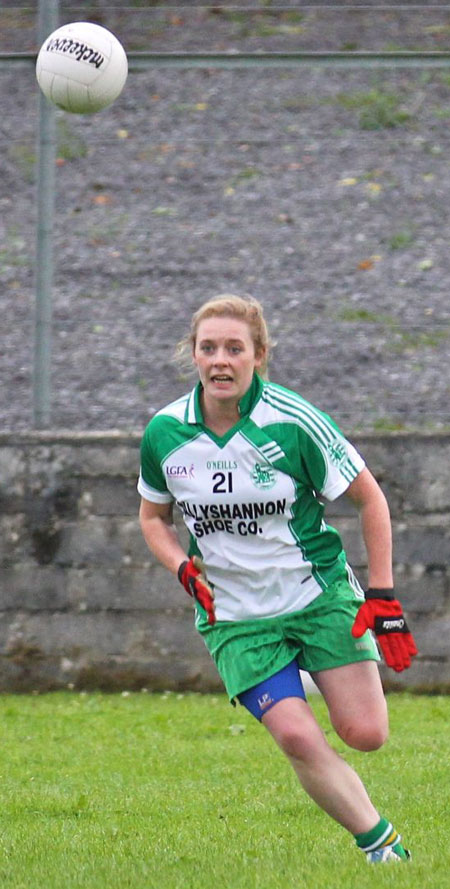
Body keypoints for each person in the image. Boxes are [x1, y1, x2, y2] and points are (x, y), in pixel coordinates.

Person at [138, 294, 417, 863]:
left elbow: (371, 499)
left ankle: (307, 673)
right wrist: (182, 567)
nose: (220, 360)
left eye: (234, 349)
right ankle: (381, 846)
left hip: (317, 595)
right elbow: (152, 518)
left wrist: (384, 594)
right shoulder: (165, 432)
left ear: (258, 356)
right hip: (235, 615)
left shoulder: (293, 421)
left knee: (366, 734)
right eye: (208, 348)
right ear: (192, 355)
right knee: (295, 736)